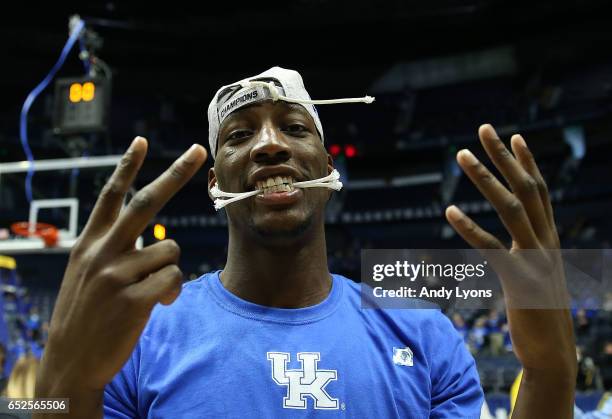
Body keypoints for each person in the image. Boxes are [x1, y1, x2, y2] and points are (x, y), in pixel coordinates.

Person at [34, 67, 577, 418]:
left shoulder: (425, 334)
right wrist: (59, 383)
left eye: (295, 128)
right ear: (214, 181)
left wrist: (552, 371)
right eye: (240, 135)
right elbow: (46, 404)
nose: (270, 146)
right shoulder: (139, 333)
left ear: (328, 166)